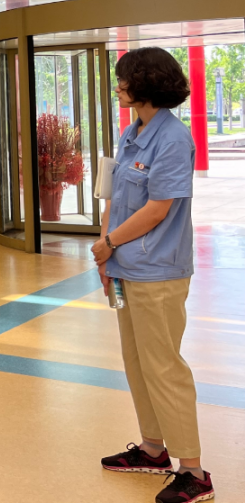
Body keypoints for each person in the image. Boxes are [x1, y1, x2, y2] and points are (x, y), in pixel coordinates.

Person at [92, 47, 214, 503]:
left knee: (164, 367)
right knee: (137, 362)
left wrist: (110, 242)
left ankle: (194, 472)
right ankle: (152, 449)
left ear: (145, 83)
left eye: (123, 78)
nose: (118, 86)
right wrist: (105, 255)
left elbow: (159, 208)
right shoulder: (132, 132)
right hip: (124, 268)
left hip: (157, 273)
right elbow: (113, 196)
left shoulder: (173, 139)